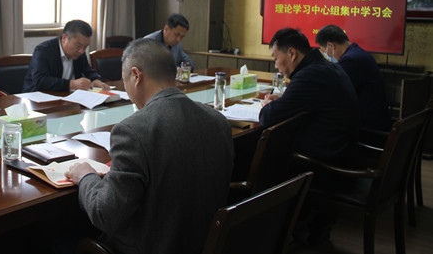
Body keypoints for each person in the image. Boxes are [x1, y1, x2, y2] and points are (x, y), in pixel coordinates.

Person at [65, 39, 234, 254]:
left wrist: (86, 176)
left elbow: (104, 214)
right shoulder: (218, 120)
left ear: (136, 75)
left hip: (150, 246)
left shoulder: (133, 131)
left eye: (125, 80)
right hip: (204, 242)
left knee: (60, 238)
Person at [260, 28, 360, 166]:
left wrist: (267, 106)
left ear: (292, 53)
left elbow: (267, 117)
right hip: (343, 151)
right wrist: (283, 100)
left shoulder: (309, 75)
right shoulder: (325, 66)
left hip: (325, 164)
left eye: (276, 59)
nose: (276, 66)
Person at [315, 24, 391, 131]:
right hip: (374, 120)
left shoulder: (351, 60)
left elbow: (332, 92)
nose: (326, 55)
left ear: (331, 46)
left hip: (369, 128)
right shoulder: (357, 53)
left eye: (324, 51)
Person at [22, 20, 110, 92]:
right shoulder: (43, 50)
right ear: (64, 38)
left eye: (85, 47)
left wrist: (96, 80)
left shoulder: (80, 52)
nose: (82, 51)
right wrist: (71, 84)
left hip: (67, 98)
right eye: (78, 45)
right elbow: (40, 81)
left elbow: (88, 70)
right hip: (38, 99)